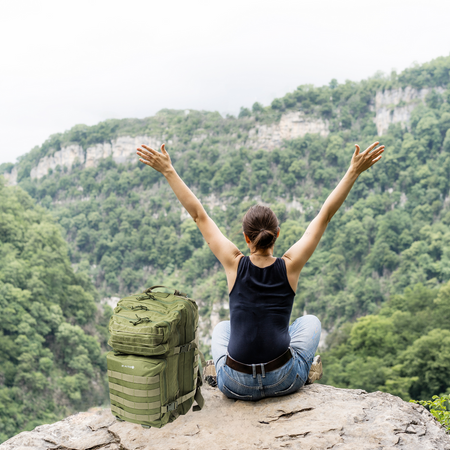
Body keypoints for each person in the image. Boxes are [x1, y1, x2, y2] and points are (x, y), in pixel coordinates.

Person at [136, 140, 385, 401]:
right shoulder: (290, 265)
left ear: (246, 238)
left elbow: (199, 215)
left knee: (222, 328)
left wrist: (168, 170)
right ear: (277, 234)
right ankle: (304, 371)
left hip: (235, 384)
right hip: (284, 380)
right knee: (310, 322)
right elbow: (324, 215)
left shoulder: (234, 262)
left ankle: (217, 371)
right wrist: (354, 171)